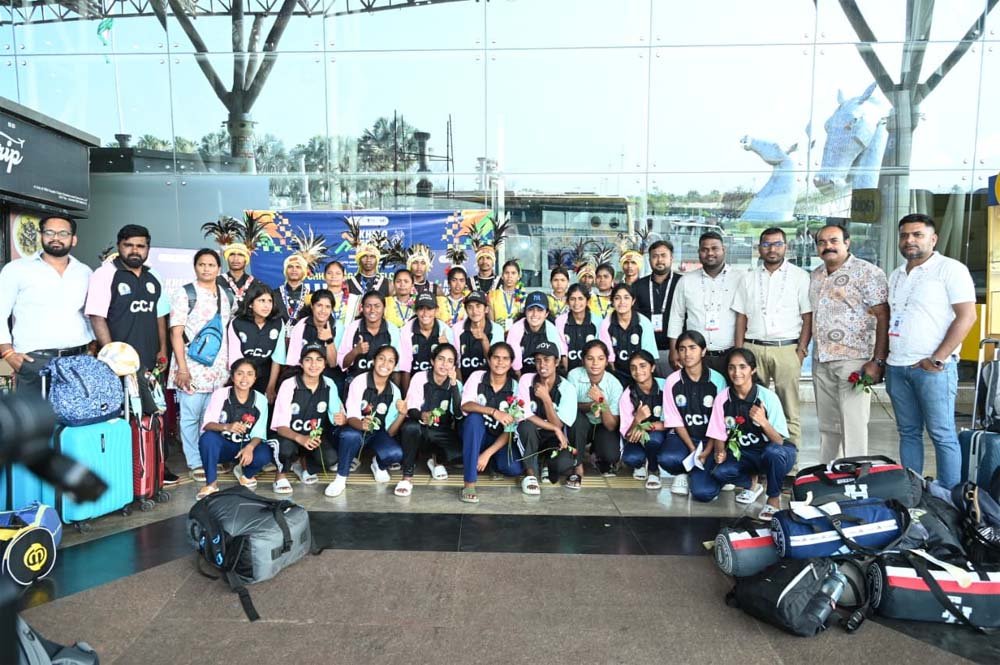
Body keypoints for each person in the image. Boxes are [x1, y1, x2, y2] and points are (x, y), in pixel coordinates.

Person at [886, 213, 976, 489]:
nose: (909, 240)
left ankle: (949, 496)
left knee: (942, 433)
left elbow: (967, 317)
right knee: (908, 432)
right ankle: (913, 490)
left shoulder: (950, 269)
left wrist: (938, 358)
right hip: (897, 366)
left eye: (917, 235)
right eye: (904, 235)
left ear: (933, 239)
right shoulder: (897, 274)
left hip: (933, 369)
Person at [809, 224, 889, 462]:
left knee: (853, 425)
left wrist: (878, 361)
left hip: (854, 360)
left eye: (833, 240)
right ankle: (827, 473)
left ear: (847, 242)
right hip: (822, 359)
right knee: (828, 425)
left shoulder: (868, 272)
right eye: (822, 242)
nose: (827, 246)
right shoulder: (816, 275)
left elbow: (883, 315)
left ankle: (856, 476)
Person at [733, 227, 812, 445]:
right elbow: (741, 317)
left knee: (789, 408)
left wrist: (801, 350)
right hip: (753, 348)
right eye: (766, 244)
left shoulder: (800, 276)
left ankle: (791, 458)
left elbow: (807, 317)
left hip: (786, 349)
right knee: (751, 405)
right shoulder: (748, 278)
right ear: (759, 248)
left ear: (786, 247)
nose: (772, 249)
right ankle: (757, 456)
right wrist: (739, 352)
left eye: (777, 244)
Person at [0, 215, 93, 395]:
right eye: (49, 232)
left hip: (78, 361)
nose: (55, 238)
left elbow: (89, 315)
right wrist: (8, 354)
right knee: (33, 414)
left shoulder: (85, 272)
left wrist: (92, 347)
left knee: (76, 413)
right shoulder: (16, 269)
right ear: (40, 235)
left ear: (73, 239)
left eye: (63, 233)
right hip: (34, 362)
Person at [707, 347, 795, 521]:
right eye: (732, 367)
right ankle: (752, 483)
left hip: (772, 453)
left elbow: (779, 441)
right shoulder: (723, 398)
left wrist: (763, 422)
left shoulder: (767, 397)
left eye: (742, 367)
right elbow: (718, 433)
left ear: (753, 370)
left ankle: (773, 499)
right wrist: (720, 451)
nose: (736, 372)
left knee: (774, 453)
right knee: (720, 472)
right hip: (745, 454)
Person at [168, 249, 233, 481]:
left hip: (218, 368)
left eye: (211, 265)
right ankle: (195, 461)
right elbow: (176, 333)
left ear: (219, 268)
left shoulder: (226, 295)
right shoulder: (185, 293)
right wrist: (182, 368)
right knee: (190, 417)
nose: (206, 269)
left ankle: (209, 458)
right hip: (191, 367)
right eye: (202, 264)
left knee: (212, 416)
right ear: (195, 267)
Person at [86, 223, 170, 380]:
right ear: (119, 246)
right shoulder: (105, 274)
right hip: (116, 364)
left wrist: (163, 350)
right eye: (128, 245)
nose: (135, 251)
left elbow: (160, 316)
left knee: (150, 396)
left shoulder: (154, 275)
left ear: (148, 249)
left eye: (140, 246)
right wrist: (112, 357)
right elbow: (97, 318)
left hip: (150, 360)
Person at [270, 342, 351, 497]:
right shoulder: (289, 384)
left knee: (330, 458)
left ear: (325, 364)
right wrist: (300, 438)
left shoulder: (329, 384)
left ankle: (303, 465)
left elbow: (337, 417)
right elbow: (280, 427)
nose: (314, 364)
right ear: (301, 363)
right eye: (308, 360)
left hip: (313, 436)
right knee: (286, 448)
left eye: (319, 360)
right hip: (288, 436)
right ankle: (280, 476)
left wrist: (343, 419)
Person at [660, 331, 728, 499]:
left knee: (703, 493)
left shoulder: (717, 380)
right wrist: (692, 449)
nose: (687, 353)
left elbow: (718, 424)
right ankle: (683, 473)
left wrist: (706, 451)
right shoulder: (672, 381)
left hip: (710, 440)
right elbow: (675, 419)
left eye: (692, 348)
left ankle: (714, 476)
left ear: (703, 351)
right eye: (682, 349)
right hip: (684, 438)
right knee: (667, 458)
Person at [195, 359, 273, 499]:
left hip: (245, 446)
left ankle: (246, 474)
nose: (244, 378)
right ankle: (211, 484)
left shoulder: (260, 399)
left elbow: (259, 432)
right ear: (232, 376)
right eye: (240, 373)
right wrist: (227, 427)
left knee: (265, 453)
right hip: (224, 447)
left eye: (250, 374)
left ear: (255, 378)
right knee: (208, 439)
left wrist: (250, 447)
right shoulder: (221, 394)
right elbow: (207, 424)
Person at [667, 231, 741, 375]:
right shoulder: (686, 281)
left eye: (714, 248)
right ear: (699, 252)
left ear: (723, 250)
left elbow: (744, 316)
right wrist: (674, 349)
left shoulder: (739, 278)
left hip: (730, 354)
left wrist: (740, 351)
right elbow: (676, 317)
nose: (710, 253)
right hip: (696, 356)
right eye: (704, 249)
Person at [396, 343, 464, 497]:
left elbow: (459, 414)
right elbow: (411, 408)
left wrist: (454, 385)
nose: (444, 364)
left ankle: (436, 460)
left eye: (450, 361)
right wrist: (422, 415)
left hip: (442, 430)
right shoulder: (420, 377)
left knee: (458, 454)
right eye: (441, 359)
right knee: (410, 428)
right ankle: (407, 477)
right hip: (420, 427)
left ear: (454, 366)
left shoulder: (456, 384)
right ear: (433, 361)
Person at [459, 342, 523, 504]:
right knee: (474, 419)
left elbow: (510, 429)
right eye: (496, 357)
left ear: (511, 362)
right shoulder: (477, 377)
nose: (500, 362)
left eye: (505, 358)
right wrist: (494, 412)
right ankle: (469, 484)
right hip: (476, 434)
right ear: (489, 360)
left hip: (497, 439)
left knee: (513, 468)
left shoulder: (515, 387)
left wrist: (487, 454)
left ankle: (488, 461)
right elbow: (465, 405)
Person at [515, 342, 579, 493]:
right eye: (538, 360)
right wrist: (555, 428)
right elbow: (524, 413)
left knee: (563, 465)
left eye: (546, 359)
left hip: (552, 438)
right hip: (532, 434)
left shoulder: (567, 388)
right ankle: (530, 473)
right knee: (526, 426)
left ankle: (545, 462)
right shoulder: (526, 380)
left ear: (556, 362)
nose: (542, 364)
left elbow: (559, 424)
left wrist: (547, 400)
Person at [342, 344, 407, 483]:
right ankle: (341, 478)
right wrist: (362, 425)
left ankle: (378, 464)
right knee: (349, 436)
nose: (385, 364)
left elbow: (390, 432)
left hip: (377, 433)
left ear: (395, 366)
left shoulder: (395, 391)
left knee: (395, 454)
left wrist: (402, 414)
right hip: (356, 430)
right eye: (381, 358)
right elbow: (351, 417)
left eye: (390, 361)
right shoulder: (360, 381)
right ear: (373, 360)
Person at [566, 340, 623, 483]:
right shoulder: (574, 376)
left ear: (607, 361)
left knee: (611, 456)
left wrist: (601, 401)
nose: (595, 363)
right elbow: (569, 408)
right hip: (581, 424)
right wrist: (591, 405)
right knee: (577, 420)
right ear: (583, 360)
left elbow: (611, 425)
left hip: (603, 425)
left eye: (600, 358)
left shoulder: (614, 384)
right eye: (590, 358)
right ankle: (578, 464)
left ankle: (596, 454)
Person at [227, 281, 286, 403]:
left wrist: (271, 387)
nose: (267, 305)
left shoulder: (278, 323)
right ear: (250, 303)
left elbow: (277, 358)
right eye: (261, 301)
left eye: (269, 301)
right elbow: (235, 359)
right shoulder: (237, 323)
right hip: (242, 377)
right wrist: (244, 384)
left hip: (266, 377)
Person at [632, 240, 682, 378]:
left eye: (663, 255)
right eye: (655, 256)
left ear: (671, 258)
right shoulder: (638, 286)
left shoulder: (682, 283)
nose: (659, 260)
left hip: (675, 352)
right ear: (649, 260)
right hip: (645, 352)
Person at [618, 350, 668, 482]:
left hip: (663, 435)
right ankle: (641, 463)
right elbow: (628, 434)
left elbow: (673, 422)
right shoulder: (628, 394)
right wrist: (638, 419)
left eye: (642, 366)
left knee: (653, 439)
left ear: (652, 367)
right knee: (631, 459)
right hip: (637, 438)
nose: (638, 371)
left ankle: (653, 470)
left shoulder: (665, 386)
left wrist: (646, 426)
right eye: (633, 367)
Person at [598, 284, 658, 387]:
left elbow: (649, 355)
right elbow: (608, 358)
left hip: (641, 373)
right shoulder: (605, 324)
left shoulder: (644, 322)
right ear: (612, 301)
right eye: (617, 298)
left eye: (626, 298)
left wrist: (640, 376)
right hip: (616, 373)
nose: (622, 302)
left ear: (633, 301)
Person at [337, 291, 402, 386]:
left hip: (383, 385)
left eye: (377, 306)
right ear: (362, 308)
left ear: (384, 308)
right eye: (368, 306)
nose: (372, 310)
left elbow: (396, 368)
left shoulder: (392, 330)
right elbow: (343, 364)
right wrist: (356, 351)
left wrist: (396, 391)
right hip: (356, 383)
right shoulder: (353, 327)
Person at [398, 292, 456, 393]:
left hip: (440, 385)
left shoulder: (445, 330)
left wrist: (446, 346)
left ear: (436, 310)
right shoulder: (406, 331)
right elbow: (405, 368)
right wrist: (407, 397)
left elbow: (452, 365)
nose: (425, 313)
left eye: (429, 309)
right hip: (414, 385)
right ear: (415, 311)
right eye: (421, 308)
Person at [284, 289, 340, 381]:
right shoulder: (301, 325)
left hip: (328, 376)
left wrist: (329, 340)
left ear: (331, 309)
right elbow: (293, 361)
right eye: (319, 305)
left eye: (327, 307)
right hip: (303, 374)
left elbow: (333, 364)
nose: (323, 310)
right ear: (312, 306)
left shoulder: (338, 327)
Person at [507, 291, 568, 375]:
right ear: (525, 311)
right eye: (531, 309)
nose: (535, 314)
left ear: (546, 313)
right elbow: (514, 366)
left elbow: (557, 360)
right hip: (520, 375)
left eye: (540, 310)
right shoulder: (515, 329)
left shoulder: (552, 330)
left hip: (546, 375)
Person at [453, 290, 504, 382]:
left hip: (490, 382)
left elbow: (497, 363)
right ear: (466, 310)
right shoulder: (457, 329)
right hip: (464, 380)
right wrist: (461, 387)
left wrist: (484, 340)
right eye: (470, 307)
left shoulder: (497, 329)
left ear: (486, 309)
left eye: (478, 306)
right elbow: (456, 364)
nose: (474, 311)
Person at [555, 284, 603, 373]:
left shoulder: (597, 320)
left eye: (580, 299)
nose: (576, 303)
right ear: (567, 301)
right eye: (572, 299)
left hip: (592, 370)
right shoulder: (560, 321)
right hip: (568, 369)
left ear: (587, 301)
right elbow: (562, 349)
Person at [323, 260, 362, 335]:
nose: (333, 276)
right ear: (324, 277)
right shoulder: (317, 298)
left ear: (344, 277)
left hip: (349, 338)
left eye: (338, 273)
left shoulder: (354, 299)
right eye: (329, 273)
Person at [488, 260, 524, 333]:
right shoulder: (492, 295)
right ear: (502, 276)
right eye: (507, 273)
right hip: (498, 335)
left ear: (518, 276)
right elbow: (491, 324)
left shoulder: (523, 295)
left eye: (513, 273)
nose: (510, 276)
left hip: (518, 335)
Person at [218, 243, 255, 309]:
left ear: (246, 259)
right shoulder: (216, 281)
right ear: (227, 258)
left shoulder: (255, 284)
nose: (235, 259)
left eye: (240, 255)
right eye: (232, 254)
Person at [275, 253, 310, 322]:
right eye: (290, 266)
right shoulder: (275, 294)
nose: (294, 270)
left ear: (304, 271)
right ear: (285, 270)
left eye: (298, 267)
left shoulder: (311, 295)